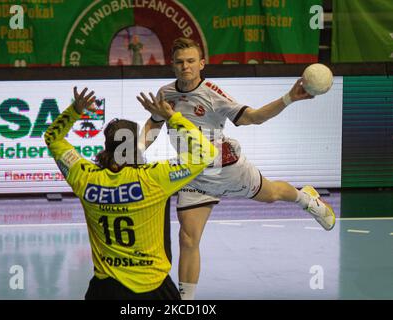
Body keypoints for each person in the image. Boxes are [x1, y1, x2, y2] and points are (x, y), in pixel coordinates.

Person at [138, 37, 336, 300]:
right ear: (173, 65)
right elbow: (154, 124)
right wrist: (139, 151)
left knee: (273, 194)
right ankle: (186, 303)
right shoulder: (166, 94)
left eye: (191, 61)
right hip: (193, 176)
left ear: (202, 64)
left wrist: (288, 98)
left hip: (226, 167)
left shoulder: (212, 95)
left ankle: (307, 199)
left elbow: (254, 117)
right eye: (180, 62)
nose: (185, 66)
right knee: (187, 239)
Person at [44, 86, 217, 300]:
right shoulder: (154, 178)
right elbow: (206, 153)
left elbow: (52, 137)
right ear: (135, 147)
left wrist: (75, 110)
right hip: (154, 288)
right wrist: (171, 116)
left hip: (106, 289)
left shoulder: (84, 177)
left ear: (106, 147)